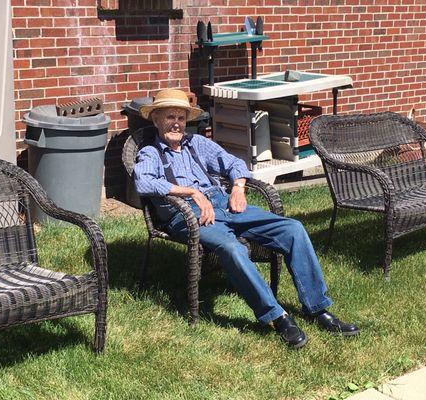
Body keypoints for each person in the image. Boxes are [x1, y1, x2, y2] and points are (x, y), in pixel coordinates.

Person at [133, 89, 359, 349]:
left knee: (293, 229)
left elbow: (234, 163)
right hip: (186, 214)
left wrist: (238, 188)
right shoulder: (151, 152)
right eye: (170, 116)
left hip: (223, 203)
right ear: (156, 120)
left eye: (181, 118)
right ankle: (278, 318)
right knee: (232, 247)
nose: (176, 123)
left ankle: (318, 309)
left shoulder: (196, 144)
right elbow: (144, 181)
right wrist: (193, 192)